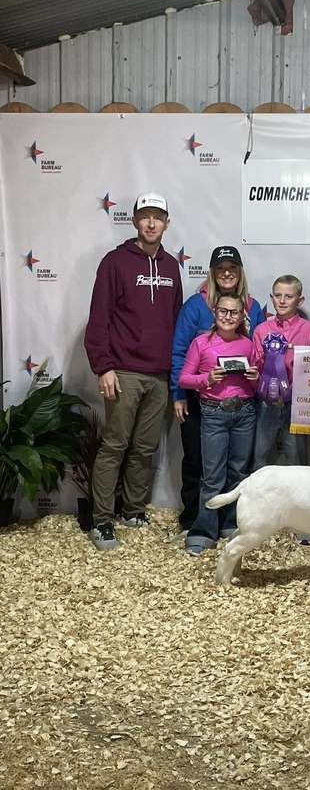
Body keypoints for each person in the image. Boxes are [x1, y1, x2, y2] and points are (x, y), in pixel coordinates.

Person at [84, 192, 183, 550]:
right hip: (123, 371)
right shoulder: (115, 262)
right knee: (115, 446)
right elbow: (99, 318)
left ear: (167, 223)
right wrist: (104, 367)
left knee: (144, 448)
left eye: (158, 217)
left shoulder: (172, 267)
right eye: (145, 216)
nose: (152, 223)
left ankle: (134, 510)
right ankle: (102, 521)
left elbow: (176, 321)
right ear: (135, 222)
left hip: (158, 374)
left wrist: (175, 375)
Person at [170, 246, 264, 531]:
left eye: (232, 268)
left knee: (237, 466)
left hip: (241, 401)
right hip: (201, 400)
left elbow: (259, 353)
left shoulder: (252, 306)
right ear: (212, 273)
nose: (226, 273)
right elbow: (179, 352)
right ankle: (194, 520)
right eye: (220, 268)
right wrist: (179, 393)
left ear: (240, 272)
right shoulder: (195, 305)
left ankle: (229, 522)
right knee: (199, 461)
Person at [179, 293, 259, 556]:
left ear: (242, 316)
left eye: (234, 312)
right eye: (223, 311)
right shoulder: (201, 343)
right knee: (212, 476)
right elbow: (184, 379)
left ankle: (231, 524)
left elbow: (256, 384)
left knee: (239, 473)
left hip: (245, 412)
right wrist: (207, 378)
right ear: (214, 312)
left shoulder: (248, 344)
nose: (228, 317)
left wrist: (255, 377)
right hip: (213, 413)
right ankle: (203, 531)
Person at [253, 275, 310, 470]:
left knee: (296, 459)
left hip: (297, 404)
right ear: (271, 297)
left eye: (288, 296)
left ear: (300, 301)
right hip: (266, 402)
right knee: (259, 457)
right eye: (277, 295)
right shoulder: (261, 330)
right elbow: (257, 364)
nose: (282, 301)